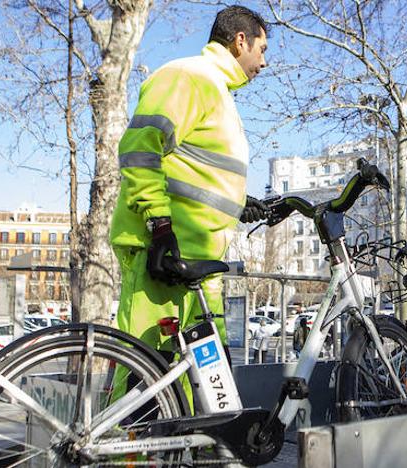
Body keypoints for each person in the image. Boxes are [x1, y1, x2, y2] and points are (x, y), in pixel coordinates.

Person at [108, 5, 271, 406]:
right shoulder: (188, 77)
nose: (263, 63)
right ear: (240, 41)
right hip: (164, 257)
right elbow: (139, 150)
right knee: (146, 384)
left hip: (197, 267)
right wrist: (160, 228)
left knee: (200, 398)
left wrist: (239, 203)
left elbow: (197, 169)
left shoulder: (216, 90)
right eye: (262, 49)